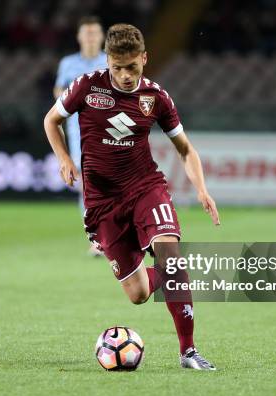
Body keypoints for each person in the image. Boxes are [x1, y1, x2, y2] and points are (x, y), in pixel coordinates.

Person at [44, 24, 220, 370]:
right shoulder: (85, 86)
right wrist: (64, 158)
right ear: (108, 60)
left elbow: (185, 150)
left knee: (170, 255)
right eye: (118, 68)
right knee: (138, 294)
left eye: (132, 68)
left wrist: (201, 188)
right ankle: (165, 274)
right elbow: (51, 121)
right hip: (102, 203)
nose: (125, 76)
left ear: (144, 59)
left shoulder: (156, 97)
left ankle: (188, 351)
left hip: (144, 187)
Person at [53, 16, 107, 256]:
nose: (91, 37)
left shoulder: (109, 60)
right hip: (78, 131)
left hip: (109, 129)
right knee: (86, 184)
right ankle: (96, 238)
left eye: (94, 33)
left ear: (102, 36)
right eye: (87, 33)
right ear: (79, 37)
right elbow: (58, 91)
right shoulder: (68, 63)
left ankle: (115, 232)